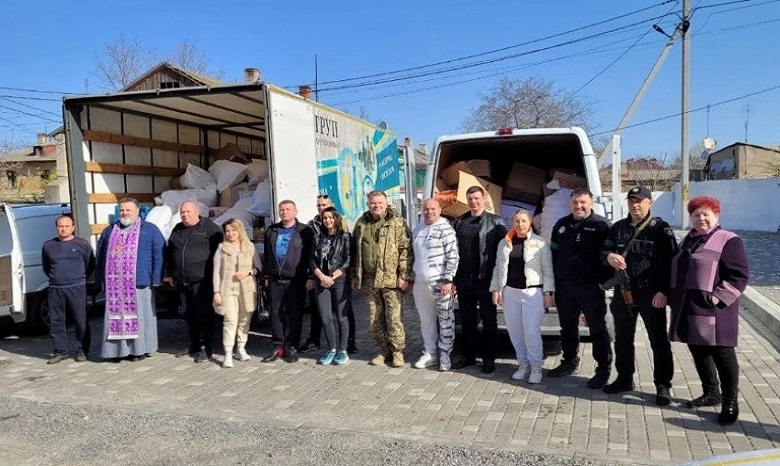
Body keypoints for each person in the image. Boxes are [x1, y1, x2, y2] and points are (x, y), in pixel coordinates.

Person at [669, 196, 749, 425]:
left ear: (716, 216)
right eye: (696, 214)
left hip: (716, 309)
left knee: (723, 354)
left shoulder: (728, 240)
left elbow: (740, 275)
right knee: (698, 349)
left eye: (706, 214)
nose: (701, 218)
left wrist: (718, 297)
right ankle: (711, 392)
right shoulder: (688, 240)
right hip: (690, 306)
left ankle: (730, 401)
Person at [601, 186, 678, 405]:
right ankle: (624, 379)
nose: (635, 205)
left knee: (658, 341)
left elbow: (672, 263)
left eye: (640, 201)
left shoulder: (661, 229)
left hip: (651, 294)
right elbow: (602, 252)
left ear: (649, 202)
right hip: (623, 292)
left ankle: (663, 385)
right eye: (631, 201)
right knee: (623, 339)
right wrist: (609, 258)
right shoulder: (617, 228)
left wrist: (664, 291)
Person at [548, 189, 614, 389]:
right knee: (567, 327)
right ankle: (569, 361)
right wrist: (551, 285)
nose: (579, 206)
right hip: (565, 286)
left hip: (591, 287)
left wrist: (606, 282)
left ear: (591, 202)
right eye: (575, 202)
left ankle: (603, 369)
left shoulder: (602, 226)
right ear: (570, 204)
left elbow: (611, 256)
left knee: (597, 329)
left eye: (583, 202)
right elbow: (552, 256)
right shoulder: (561, 225)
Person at [96, 197, 165, 362]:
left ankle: (139, 350)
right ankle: (116, 351)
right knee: (116, 318)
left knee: (140, 318)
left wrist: (156, 278)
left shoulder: (149, 229)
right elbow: (100, 256)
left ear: (137, 211)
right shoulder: (110, 231)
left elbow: (160, 254)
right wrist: (101, 281)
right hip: (115, 286)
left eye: (128, 210)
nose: (125, 213)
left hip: (139, 283)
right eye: (122, 210)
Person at [490, 209, 554, 384]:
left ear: (530, 222)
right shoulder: (504, 243)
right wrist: (496, 289)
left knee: (531, 331)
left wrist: (548, 292)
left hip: (532, 293)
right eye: (516, 221)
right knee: (515, 332)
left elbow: (548, 270)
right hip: (510, 292)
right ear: (512, 222)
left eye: (523, 221)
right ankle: (523, 364)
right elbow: (498, 268)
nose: (520, 225)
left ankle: (536, 367)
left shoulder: (540, 243)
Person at [352, 190, 413, 368]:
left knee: (394, 317)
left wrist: (404, 275)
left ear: (386, 204)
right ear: (368, 204)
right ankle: (383, 350)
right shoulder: (362, 223)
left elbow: (406, 250)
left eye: (379, 203)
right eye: (373, 203)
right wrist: (355, 275)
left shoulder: (397, 222)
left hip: (391, 278)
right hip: (370, 279)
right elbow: (356, 251)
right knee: (374, 318)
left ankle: (397, 352)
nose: (376, 206)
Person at [452, 185, 507, 374]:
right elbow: (454, 252)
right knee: (467, 320)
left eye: (477, 198)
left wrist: (499, 282)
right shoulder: (460, 221)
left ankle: (489, 359)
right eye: (470, 199)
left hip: (486, 279)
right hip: (464, 278)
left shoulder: (496, 222)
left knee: (489, 320)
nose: (474, 202)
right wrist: (453, 279)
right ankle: (469, 357)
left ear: (484, 198)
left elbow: (503, 254)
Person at [166, 200, 223, 363]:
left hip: (202, 281)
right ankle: (193, 346)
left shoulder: (209, 228)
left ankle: (207, 348)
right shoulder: (177, 229)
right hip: (182, 281)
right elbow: (170, 251)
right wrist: (170, 272)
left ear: (197, 212)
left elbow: (221, 252)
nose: (185, 215)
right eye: (182, 212)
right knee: (189, 315)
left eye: (188, 212)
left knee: (204, 315)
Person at [300, 194, 358, 354]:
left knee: (343, 313)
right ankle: (318, 341)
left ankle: (348, 343)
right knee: (320, 311)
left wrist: (338, 275)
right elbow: (310, 256)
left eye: (324, 205)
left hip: (338, 278)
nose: (321, 208)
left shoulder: (342, 226)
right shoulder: (312, 226)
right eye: (319, 205)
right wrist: (314, 276)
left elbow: (348, 256)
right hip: (319, 276)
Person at [262, 200, 314, 363]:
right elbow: (267, 254)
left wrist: (310, 277)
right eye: (281, 209)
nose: (284, 212)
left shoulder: (305, 231)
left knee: (295, 314)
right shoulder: (272, 230)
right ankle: (277, 346)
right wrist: (266, 276)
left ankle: (291, 346)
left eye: (288, 209)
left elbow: (311, 256)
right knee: (276, 314)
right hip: (275, 280)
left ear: (295, 211)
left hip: (296, 280)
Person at [411, 198, 459, 371]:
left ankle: (445, 354)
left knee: (445, 320)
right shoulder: (417, 230)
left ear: (439, 210)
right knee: (426, 320)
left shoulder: (446, 230)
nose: (429, 212)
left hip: (440, 284)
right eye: (426, 209)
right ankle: (430, 353)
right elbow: (413, 257)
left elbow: (453, 256)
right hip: (420, 283)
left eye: (432, 208)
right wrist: (411, 278)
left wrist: (448, 280)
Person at [42, 215, 95, 364]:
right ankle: (60, 351)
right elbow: (46, 267)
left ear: (72, 227)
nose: (63, 229)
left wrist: (79, 279)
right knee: (56, 320)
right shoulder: (48, 246)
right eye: (60, 226)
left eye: (66, 226)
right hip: (56, 288)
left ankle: (82, 349)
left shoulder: (82, 245)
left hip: (76, 287)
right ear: (56, 227)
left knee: (81, 319)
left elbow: (90, 264)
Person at [213, 218, 261, 368]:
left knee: (244, 321)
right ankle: (228, 353)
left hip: (246, 290)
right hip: (228, 291)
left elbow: (258, 269)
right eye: (227, 231)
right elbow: (216, 273)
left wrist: (247, 273)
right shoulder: (221, 248)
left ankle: (241, 348)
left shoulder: (250, 247)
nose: (230, 233)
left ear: (239, 231)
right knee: (230, 321)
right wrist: (216, 292)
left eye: (233, 230)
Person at [309, 207, 352, 365]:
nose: (327, 220)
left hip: (339, 280)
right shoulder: (318, 237)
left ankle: (342, 350)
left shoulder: (345, 237)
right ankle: (331, 349)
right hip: (322, 281)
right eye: (325, 218)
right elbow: (311, 260)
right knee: (326, 317)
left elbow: (348, 260)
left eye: (330, 217)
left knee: (341, 317)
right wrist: (321, 276)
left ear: (336, 218)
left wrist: (333, 276)